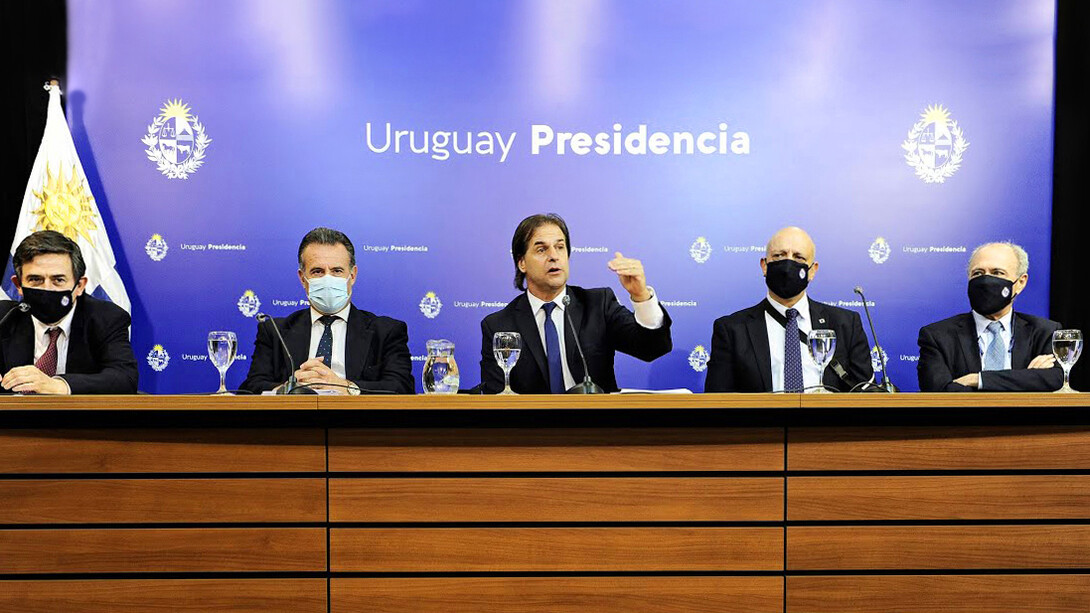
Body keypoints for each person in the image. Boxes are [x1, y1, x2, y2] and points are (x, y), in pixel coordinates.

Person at [479, 213, 672, 394]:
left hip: (596, 425)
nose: (554, 256)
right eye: (541, 249)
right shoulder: (498, 326)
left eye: (560, 247)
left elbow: (652, 348)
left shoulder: (598, 305)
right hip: (534, 427)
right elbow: (496, 397)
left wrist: (640, 295)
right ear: (522, 263)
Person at [240, 227, 413, 394]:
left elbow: (401, 387)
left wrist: (346, 387)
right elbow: (252, 387)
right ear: (302, 278)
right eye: (317, 271)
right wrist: (289, 389)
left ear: (352, 276)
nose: (327, 279)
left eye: (337, 271)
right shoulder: (274, 331)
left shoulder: (386, 331)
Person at [704, 226, 872, 393]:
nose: (787, 264)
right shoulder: (731, 330)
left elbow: (866, 397)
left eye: (798, 257)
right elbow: (717, 401)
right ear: (764, 265)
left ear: (812, 271)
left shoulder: (846, 324)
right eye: (779, 255)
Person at [0, 230, 138, 394]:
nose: (47, 289)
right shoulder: (4, 318)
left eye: (58, 280)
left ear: (79, 286)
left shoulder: (105, 318)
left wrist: (58, 385)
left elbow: (124, 378)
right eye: (35, 280)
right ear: (18, 285)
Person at [917, 241, 1062, 392]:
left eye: (997, 273)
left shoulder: (1045, 332)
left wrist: (977, 379)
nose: (985, 281)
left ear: (1020, 282)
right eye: (978, 273)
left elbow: (1054, 379)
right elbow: (939, 391)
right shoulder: (937, 336)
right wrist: (1026, 378)